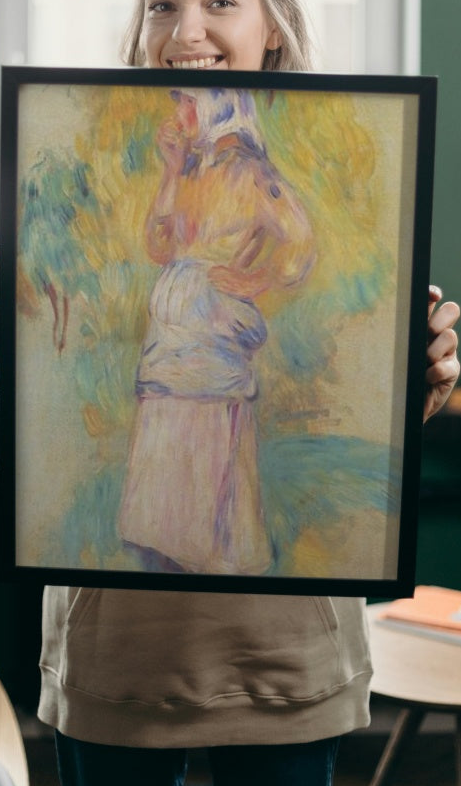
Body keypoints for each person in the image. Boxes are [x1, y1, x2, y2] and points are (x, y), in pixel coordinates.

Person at [0, 0, 461, 786]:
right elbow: (19, 458)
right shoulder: (95, 151)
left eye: (219, 2)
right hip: (116, 660)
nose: (184, 28)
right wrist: (4, 365)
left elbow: (297, 263)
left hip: (280, 657)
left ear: (272, 24)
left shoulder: (301, 158)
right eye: (161, 3)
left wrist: (415, 381)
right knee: (164, 505)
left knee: (218, 499)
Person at [118, 85, 315, 576]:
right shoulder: (190, 168)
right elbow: (159, 245)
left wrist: (257, 279)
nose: (178, 112)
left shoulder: (250, 172)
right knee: (166, 460)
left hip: (211, 335)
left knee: (208, 455)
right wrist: (170, 167)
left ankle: (205, 563)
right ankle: (170, 556)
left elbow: (299, 241)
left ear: (217, 106)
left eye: (187, 101)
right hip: (171, 336)